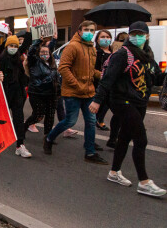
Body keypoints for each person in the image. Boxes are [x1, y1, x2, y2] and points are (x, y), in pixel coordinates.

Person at [90, 21, 166, 197]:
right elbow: (107, 79)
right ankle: (144, 182)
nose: (137, 37)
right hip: (122, 101)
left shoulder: (147, 55)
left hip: (139, 102)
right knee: (141, 140)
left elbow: (155, 79)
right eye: (134, 34)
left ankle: (114, 172)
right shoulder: (123, 54)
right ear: (130, 35)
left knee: (124, 137)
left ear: (147, 36)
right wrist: (97, 100)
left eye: (141, 34)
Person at [44, 20, 107, 165]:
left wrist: (100, 74)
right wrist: (76, 84)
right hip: (72, 92)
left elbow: (90, 71)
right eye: (86, 29)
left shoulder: (91, 48)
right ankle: (48, 139)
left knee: (91, 122)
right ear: (79, 31)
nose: (89, 33)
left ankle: (90, 152)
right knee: (70, 121)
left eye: (92, 30)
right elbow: (63, 68)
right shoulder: (72, 46)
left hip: (88, 92)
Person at [0, 22, 32, 158]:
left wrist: (28, 29)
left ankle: (20, 145)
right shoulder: (0, 59)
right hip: (4, 93)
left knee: (18, 118)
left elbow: (26, 43)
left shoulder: (18, 57)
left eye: (15, 46)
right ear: (6, 47)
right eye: (11, 45)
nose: (13, 48)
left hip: (17, 93)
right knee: (1, 119)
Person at [24, 36, 59, 143]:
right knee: (38, 115)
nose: (45, 54)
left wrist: (53, 40)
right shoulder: (34, 62)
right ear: (38, 54)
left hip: (51, 93)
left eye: (47, 52)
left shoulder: (52, 63)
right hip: (37, 93)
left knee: (50, 115)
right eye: (42, 52)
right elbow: (31, 52)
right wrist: (38, 41)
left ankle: (48, 137)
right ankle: (24, 127)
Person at [94, 30, 113, 131]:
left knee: (107, 103)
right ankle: (95, 121)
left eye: (107, 37)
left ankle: (100, 120)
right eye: (102, 37)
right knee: (98, 104)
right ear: (97, 40)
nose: (105, 39)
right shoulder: (96, 52)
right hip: (98, 82)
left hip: (110, 83)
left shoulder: (114, 53)